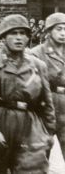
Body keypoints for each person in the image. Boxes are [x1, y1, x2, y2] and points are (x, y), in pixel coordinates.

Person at [0, 14, 56, 173]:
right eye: (13, 33)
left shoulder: (37, 65)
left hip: (30, 125)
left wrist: (49, 131)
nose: (18, 38)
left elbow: (47, 102)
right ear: (3, 37)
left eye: (23, 33)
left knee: (33, 169)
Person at [31, 12, 65, 160]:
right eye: (59, 29)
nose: (63, 33)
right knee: (42, 151)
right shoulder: (37, 53)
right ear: (49, 31)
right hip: (48, 103)